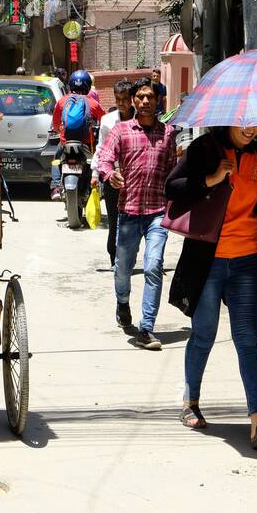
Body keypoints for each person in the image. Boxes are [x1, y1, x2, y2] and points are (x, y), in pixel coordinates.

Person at [166, 123, 257, 448]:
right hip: (208, 261)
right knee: (204, 333)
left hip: (247, 260)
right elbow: (172, 187)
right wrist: (210, 179)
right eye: (245, 121)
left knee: (247, 339)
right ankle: (190, 402)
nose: (253, 128)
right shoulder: (206, 149)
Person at [98, 79, 177, 349]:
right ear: (133, 101)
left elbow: (171, 170)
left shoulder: (168, 133)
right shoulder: (120, 131)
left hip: (157, 213)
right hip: (129, 212)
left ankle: (146, 328)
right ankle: (122, 303)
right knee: (123, 269)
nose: (145, 101)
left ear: (158, 101)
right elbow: (105, 159)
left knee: (154, 266)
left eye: (150, 97)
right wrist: (110, 175)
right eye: (140, 97)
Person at [91, 79, 134, 267]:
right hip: (112, 177)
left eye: (125, 99)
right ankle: (114, 258)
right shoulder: (108, 121)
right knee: (115, 219)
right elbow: (101, 147)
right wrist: (95, 172)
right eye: (118, 99)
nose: (121, 103)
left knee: (132, 221)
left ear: (132, 99)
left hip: (134, 178)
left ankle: (127, 256)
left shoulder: (140, 118)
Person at [50, 71, 104, 202]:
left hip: (65, 142)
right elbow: (105, 120)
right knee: (94, 164)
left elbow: (56, 123)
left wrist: (58, 130)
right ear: (87, 85)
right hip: (86, 144)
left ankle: (56, 187)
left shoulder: (62, 101)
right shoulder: (92, 103)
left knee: (56, 159)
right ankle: (98, 187)